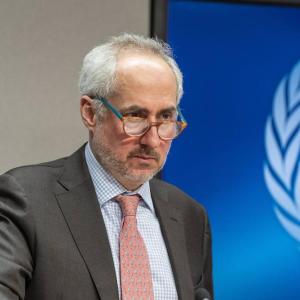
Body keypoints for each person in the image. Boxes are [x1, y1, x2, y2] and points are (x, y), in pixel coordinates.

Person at [0, 33, 213, 300]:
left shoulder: (190, 217)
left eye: (166, 117)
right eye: (135, 116)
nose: (152, 139)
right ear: (90, 113)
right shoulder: (26, 199)